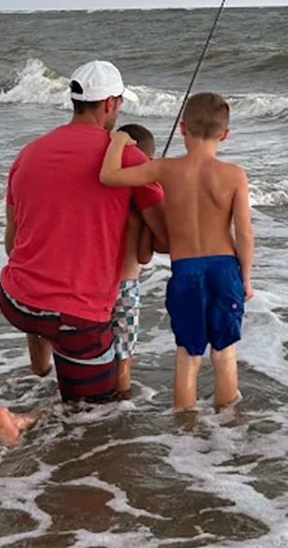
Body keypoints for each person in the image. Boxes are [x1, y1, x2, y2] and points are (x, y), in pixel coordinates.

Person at [0, 60, 168, 447]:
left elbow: (12, 242)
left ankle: (41, 359)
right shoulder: (129, 159)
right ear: (110, 104)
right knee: (96, 408)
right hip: (74, 317)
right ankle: (21, 421)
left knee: (42, 296)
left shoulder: (28, 154)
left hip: (14, 299)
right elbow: (166, 239)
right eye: (119, 104)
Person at [99, 92, 254, 411]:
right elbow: (244, 234)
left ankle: (184, 429)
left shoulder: (165, 169)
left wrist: (119, 141)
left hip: (185, 271)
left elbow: (109, 176)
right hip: (225, 269)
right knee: (224, 353)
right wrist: (247, 279)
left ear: (182, 128)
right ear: (225, 134)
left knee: (187, 356)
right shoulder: (234, 175)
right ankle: (228, 427)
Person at [111, 123, 160, 401]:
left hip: (93, 287)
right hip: (126, 288)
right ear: (149, 160)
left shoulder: (105, 200)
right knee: (123, 355)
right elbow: (143, 256)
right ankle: (122, 401)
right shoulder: (139, 211)